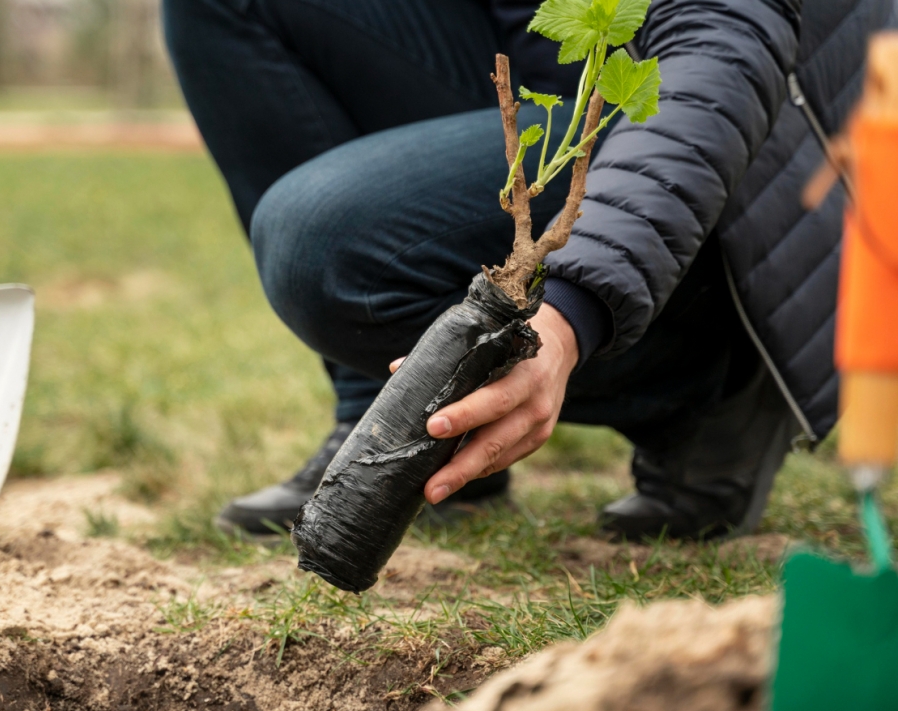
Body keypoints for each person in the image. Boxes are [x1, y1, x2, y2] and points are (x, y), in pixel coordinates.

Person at [162, 0, 896, 540]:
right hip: (547, 75)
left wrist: (574, 310)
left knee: (318, 241)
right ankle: (392, 417)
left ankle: (713, 385)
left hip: (738, 143)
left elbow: (717, 58)